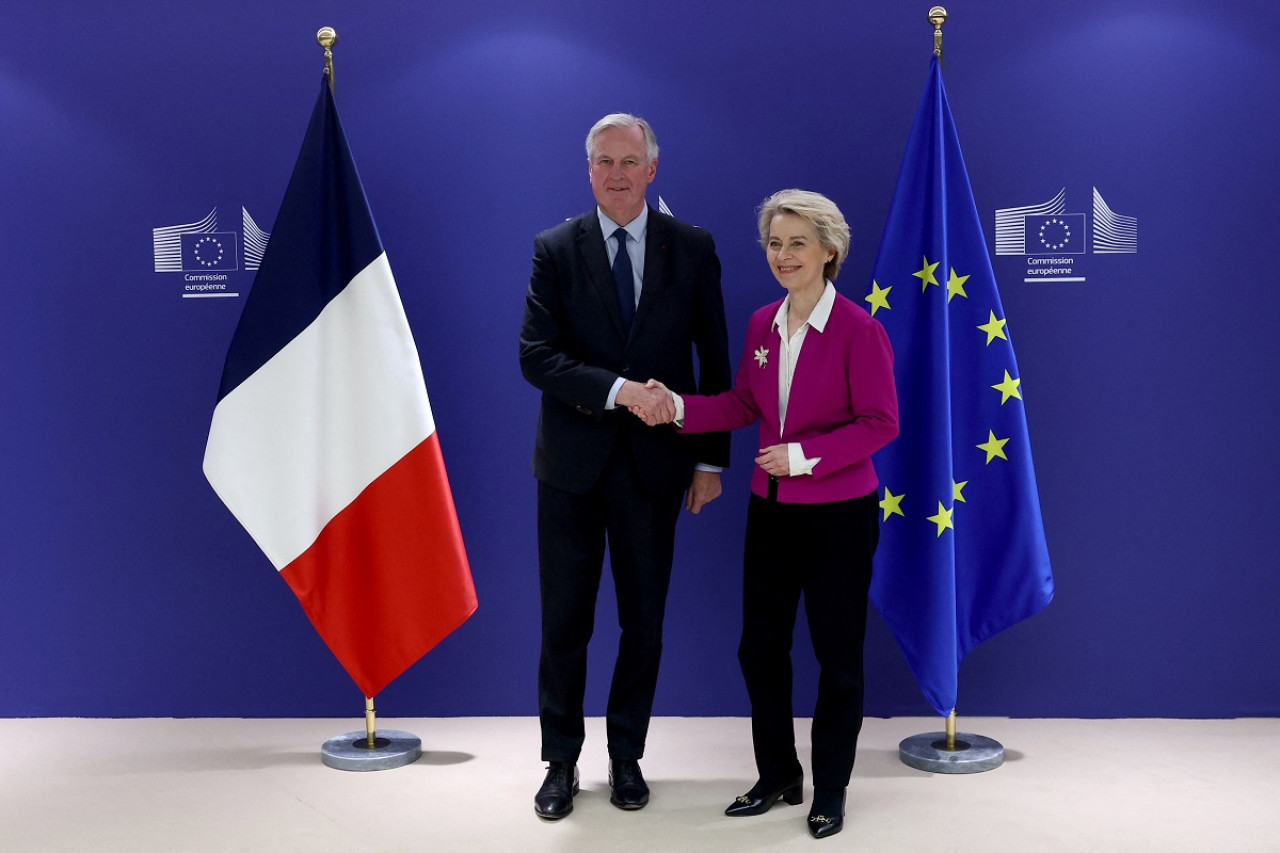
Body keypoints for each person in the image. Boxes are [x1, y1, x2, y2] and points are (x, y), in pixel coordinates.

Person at [636, 189, 898, 839]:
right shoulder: (761, 324)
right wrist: (680, 407)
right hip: (771, 512)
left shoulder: (860, 330)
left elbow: (881, 423)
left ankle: (830, 789)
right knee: (760, 648)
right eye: (775, 243)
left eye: (796, 243)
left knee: (838, 657)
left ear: (829, 250)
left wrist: (807, 455)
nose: (782, 255)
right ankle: (778, 772)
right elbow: (741, 405)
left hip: (840, 514)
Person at [518, 113, 732, 820]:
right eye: (603, 161)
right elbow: (536, 355)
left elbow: (716, 360)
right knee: (564, 624)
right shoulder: (555, 247)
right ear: (588, 169)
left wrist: (710, 459)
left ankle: (626, 756)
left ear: (652, 168)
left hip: (657, 470)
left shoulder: (693, 248)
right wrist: (618, 392)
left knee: (644, 622)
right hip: (571, 469)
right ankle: (560, 761)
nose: (616, 172)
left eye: (629, 160)